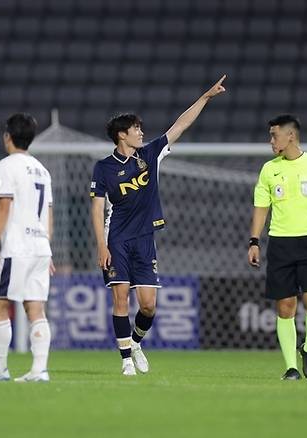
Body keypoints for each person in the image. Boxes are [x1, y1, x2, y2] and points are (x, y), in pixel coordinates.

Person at [90, 76, 226, 376]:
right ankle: (126, 360)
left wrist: (204, 97)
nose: (141, 132)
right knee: (120, 296)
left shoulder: (150, 155)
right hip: (117, 240)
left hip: (145, 238)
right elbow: (97, 207)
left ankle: (136, 343)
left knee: (149, 306)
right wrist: (101, 245)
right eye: (136, 128)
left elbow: (180, 125)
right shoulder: (104, 168)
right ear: (122, 135)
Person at [248, 114, 307, 380]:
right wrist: (254, 241)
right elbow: (261, 209)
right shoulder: (269, 169)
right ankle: (291, 367)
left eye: (274, 135)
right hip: (280, 243)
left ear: (290, 136)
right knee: (285, 307)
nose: (271, 141)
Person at [0, 113, 55, 383]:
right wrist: (46, 248)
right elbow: (49, 213)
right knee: (35, 309)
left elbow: (4, 205)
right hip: (40, 246)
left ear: (7, 136)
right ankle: (39, 371)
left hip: (18, 247)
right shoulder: (42, 169)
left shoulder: (7, 165)